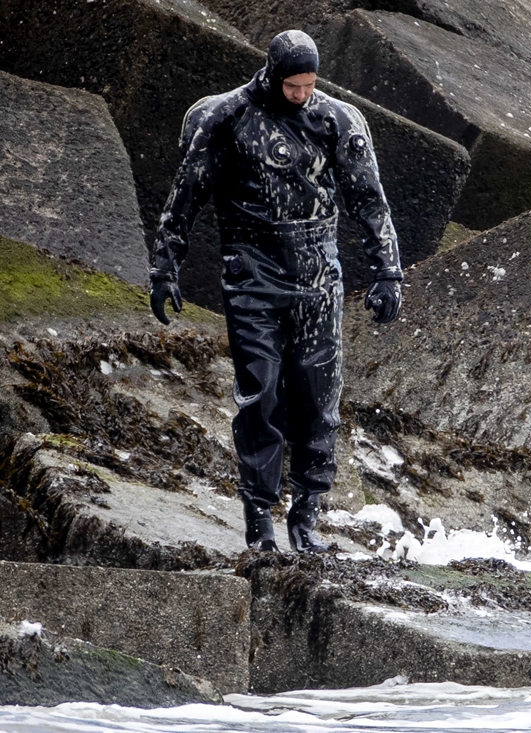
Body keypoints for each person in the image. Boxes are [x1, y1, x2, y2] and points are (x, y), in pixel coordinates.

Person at [148, 30, 402, 553]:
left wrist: (388, 273)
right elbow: (186, 194)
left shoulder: (337, 120)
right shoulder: (226, 118)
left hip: (317, 278)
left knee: (317, 397)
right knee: (259, 394)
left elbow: (370, 201)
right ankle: (259, 516)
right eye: (293, 85)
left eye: (309, 84)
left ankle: (307, 513)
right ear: (272, 73)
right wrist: (165, 267)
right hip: (252, 273)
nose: (301, 94)